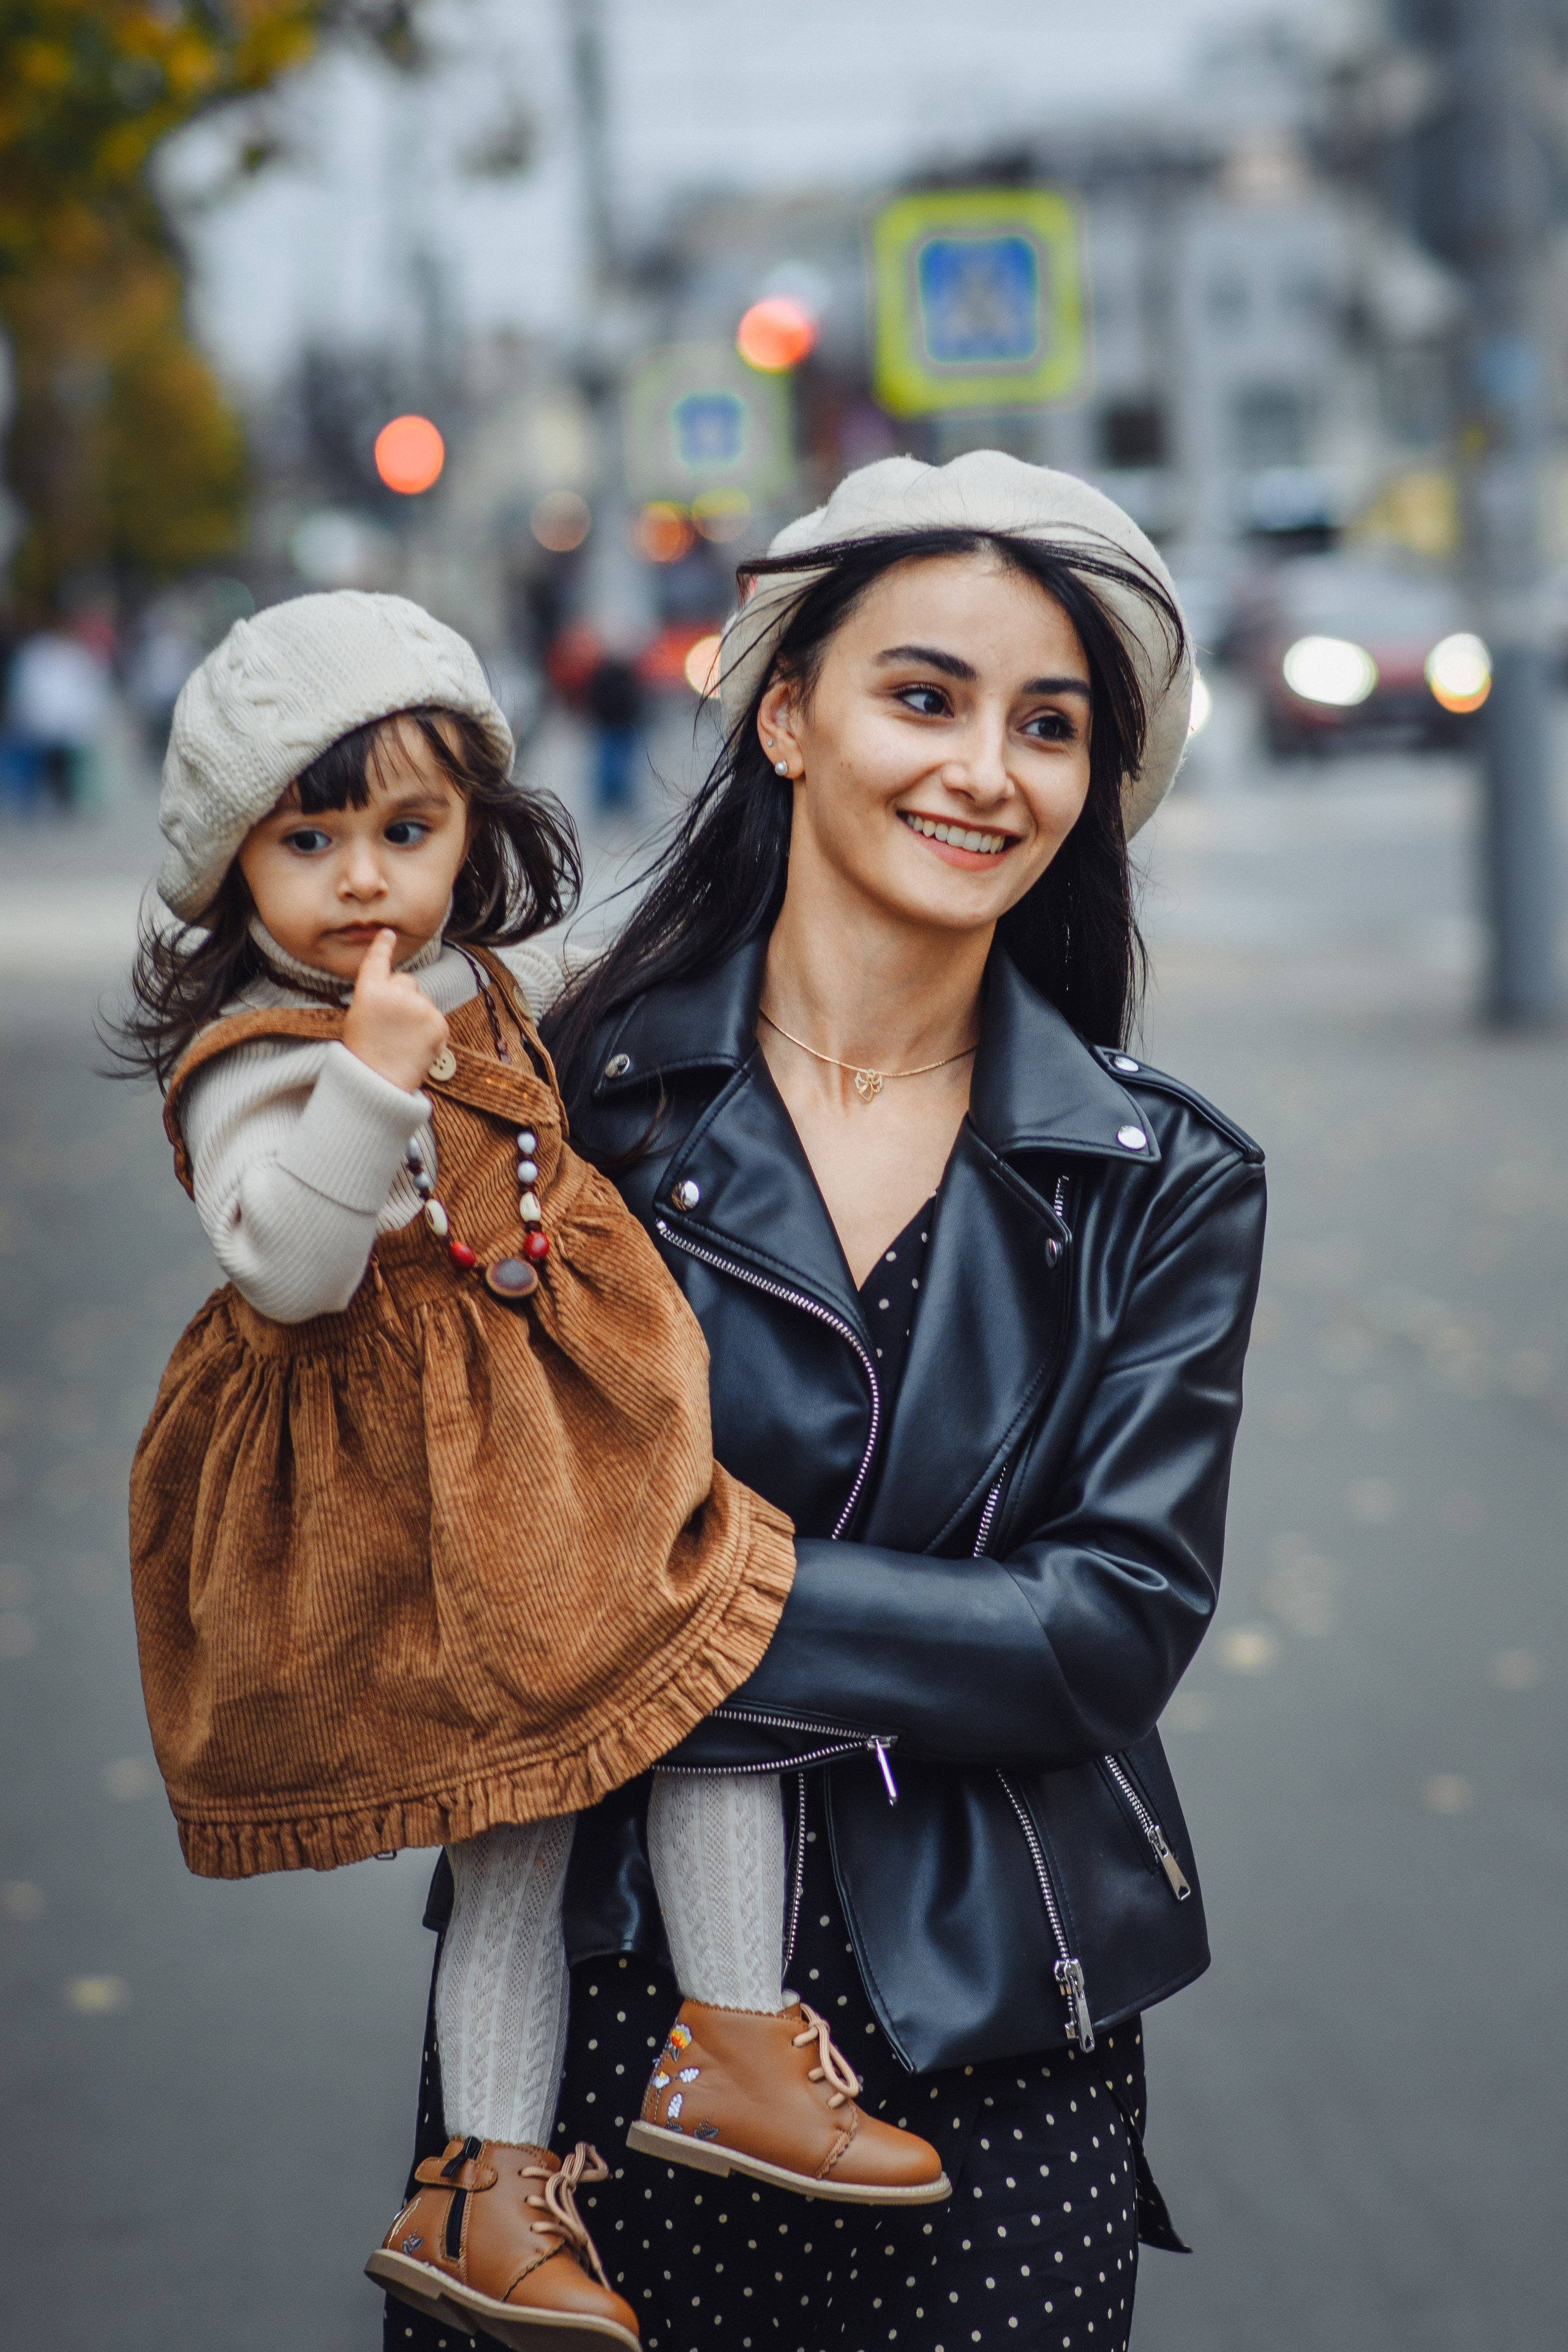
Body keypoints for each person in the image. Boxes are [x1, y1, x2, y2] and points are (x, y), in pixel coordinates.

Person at [388, 451, 1267, 2352]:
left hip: (997, 2040)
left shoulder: (1164, 1175)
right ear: (785, 711)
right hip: (587, 2050)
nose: (987, 770)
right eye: (925, 695)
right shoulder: (560, 1104)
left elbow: (1106, 1629)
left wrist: (664, 1599)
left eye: (1050, 726)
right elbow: (441, 1538)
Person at [121, 592, 944, 2352]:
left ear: (471, 836)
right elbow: (282, 1267)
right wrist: (365, 1089)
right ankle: (489, 2179)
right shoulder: (257, 1064)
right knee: (528, 1822)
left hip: (551, 1453)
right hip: (421, 1504)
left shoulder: (479, 988)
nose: (365, 880)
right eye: (311, 837)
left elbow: (612, 1023)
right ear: (229, 864)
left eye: (408, 833)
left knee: (702, 1680)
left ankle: (725, 2046)